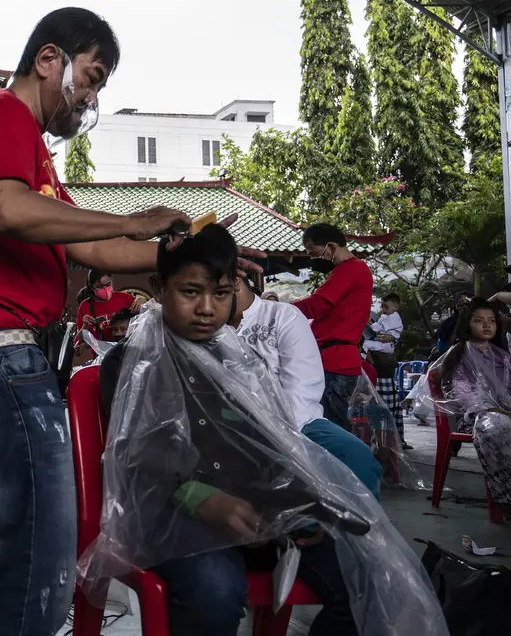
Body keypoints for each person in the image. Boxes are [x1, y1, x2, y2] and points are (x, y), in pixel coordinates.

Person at [0, 7, 261, 635]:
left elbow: (94, 250)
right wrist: (133, 220)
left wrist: (188, 252)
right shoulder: (0, 117)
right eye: (94, 76)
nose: (93, 97)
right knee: (38, 545)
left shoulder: (35, 160)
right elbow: (7, 211)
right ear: (50, 60)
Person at [85, 224, 445, 636]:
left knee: (368, 570)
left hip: (252, 516)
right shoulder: (131, 363)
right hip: (170, 518)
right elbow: (142, 456)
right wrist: (205, 500)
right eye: (190, 292)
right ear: (159, 286)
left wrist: (296, 503)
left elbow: (269, 442)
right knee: (216, 592)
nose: (206, 308)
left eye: (220, 294)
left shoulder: (240, 363)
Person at [231, 278, 381, 493]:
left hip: (295, 422)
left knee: (356, 458)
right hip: (231, 422)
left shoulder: (282, 316)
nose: (205, 304)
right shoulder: (206, 322)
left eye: (217, 292)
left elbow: (300, 389)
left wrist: (278, 436)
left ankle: (336, 525)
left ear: (234, 282)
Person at [292, 223, 373, 432]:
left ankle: (339, 464)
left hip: (335, 361)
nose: (313, 259)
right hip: (337, 358)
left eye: (315, 253)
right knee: (334, 422)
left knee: (331, 426)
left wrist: (274, 309)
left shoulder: (350, 269)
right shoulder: (353, 270)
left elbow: (315, 305)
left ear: (331, 247)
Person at [434, 299, 511, 514]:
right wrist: (491, 410)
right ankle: (506, 498)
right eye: (479, 321)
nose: (487, 325)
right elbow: (461, 392)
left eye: (491, 321)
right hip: (475, 418)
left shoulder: (503, 357)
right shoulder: (459, 354)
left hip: (503, 413)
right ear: (467, 324)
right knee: (497, 425)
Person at [363, 293, 407, 449]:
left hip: (382, 367)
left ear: (395, 307)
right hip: (375, 369)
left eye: (385, 306)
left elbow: (383, 333)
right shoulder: (381, 317)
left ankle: (392, 440)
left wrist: (373, 327)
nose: (382, 309)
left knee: (387, 406)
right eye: (381, 306)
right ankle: (386, 440)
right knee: (378, 407)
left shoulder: (392, 318)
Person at [75, 270, 137, 341]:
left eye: (108, 284)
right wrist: (85, 326)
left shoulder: (126, 298)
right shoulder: (85, 306)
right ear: (91, 287)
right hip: (100, 350)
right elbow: (81, 339)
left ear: (112, 280)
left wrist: (142, 302)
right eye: (99, 286)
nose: (105, 289)